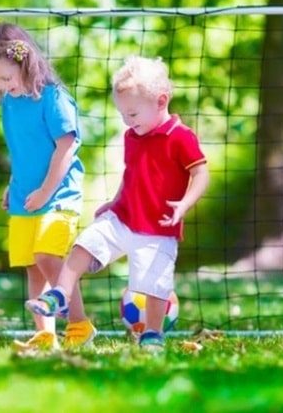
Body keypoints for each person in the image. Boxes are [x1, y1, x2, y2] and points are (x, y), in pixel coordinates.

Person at [25, 55, 210, 350]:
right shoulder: (132, 136)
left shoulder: (180, 137)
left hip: (159, 228)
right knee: (84, 243)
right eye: (123, 114)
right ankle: (60, 293)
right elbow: (131, 173)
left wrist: (185, 204)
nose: (128, 121)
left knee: (156, 284)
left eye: (133, 114)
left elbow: (201, 173)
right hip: (123, 217)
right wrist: (114, 201)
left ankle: (153, 333)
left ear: (161, 102)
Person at [0, 22, 95, 350]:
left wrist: (45, 191)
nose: (1, 85)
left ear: (23, 62)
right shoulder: (11, 103)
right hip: (25, 197)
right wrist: (13, 185)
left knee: (48, 255)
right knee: (33, 265)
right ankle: (45, 334)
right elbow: (24, 150)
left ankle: (80, 326)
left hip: (59, 196)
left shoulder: (53, 98)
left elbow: (66, 148)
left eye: (5, 77)